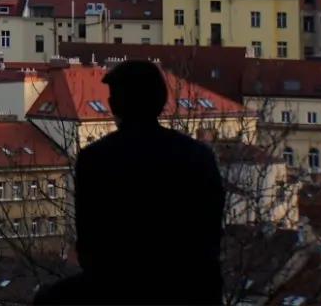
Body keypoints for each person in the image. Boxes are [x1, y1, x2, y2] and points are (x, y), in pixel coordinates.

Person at [34, 60, 225, 305]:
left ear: (115, 106)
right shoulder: (198, 155)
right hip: (191, 285)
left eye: (113, 97)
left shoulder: (96, 158)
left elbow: (90, 245)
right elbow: (211, 234)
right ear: (160, 100)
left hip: (117, 285)